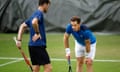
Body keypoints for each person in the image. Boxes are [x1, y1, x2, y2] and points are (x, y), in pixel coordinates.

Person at [16, 0, 52, 72]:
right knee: (48, 68)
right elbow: (34, 22)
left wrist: (19, 40)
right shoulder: (39, 13)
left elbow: (22, 26)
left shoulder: (33, 15)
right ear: (45, 4)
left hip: (32, 46)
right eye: (48, 5)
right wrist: (37, 33)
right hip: (38, 45)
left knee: (36, 68)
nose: (48, 8)